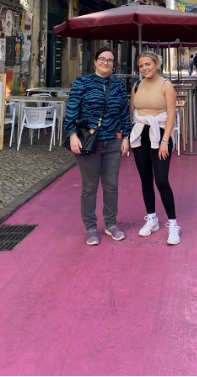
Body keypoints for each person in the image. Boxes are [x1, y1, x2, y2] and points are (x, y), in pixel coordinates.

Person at [64, 46, 131, 246]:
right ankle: (91, 227)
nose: (106, 63)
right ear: (95, 61)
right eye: (102, 59)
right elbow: (71, 111)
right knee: (89, 186)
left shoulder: (118, 86)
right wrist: (72, 135)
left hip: (112, 141)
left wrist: (125, 137)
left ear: (113, 65)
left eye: (110, 60)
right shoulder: (82, 83)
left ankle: (111, 224)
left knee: (111, 185)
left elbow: (124, 114)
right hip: (88, 142)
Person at [130, 51, 181, 245]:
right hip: (140, 134)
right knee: (145, 179)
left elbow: (171, 115)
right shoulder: (137, 85)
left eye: (148, 64)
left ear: (157, 64)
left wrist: (165, 141)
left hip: (159, 134)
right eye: (141, 65)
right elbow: (133, 113)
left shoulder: (166, 85)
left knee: (161, 180)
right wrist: (127, 137)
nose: (144, 68)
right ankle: (152, 218)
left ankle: (173, 224)